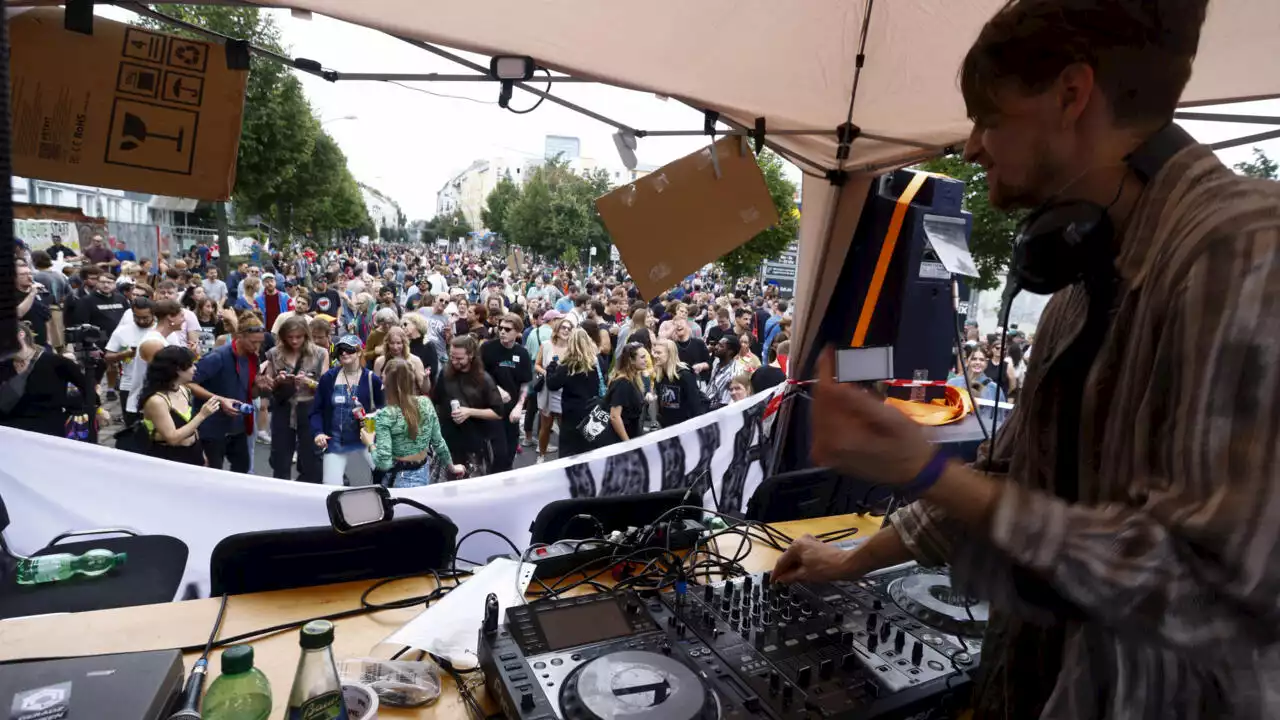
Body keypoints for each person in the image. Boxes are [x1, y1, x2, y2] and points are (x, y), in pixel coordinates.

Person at [773, 2, 1280, 719]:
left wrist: (925, 472)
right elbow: (1014, 476)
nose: (973, 147)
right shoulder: (1082, 289)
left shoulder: (1249, 247)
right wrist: (854, 557)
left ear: (1072, 95)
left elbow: (1213, 587)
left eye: (988, 117)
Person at [361, 358, 463, 487]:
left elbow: (383, 462)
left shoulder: (385, 415)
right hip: (423, 474)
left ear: (385, 383)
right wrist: (451, 466)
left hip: (400, 481)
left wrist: (369, 442)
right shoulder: (425, 403)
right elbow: (438, 441)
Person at [189, 314, 265, 473]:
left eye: (260, 342)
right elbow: (189, 383)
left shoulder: (252, 358)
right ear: (240, 336)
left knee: (243, 470)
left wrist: (259, 386)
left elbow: (253, 393)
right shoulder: (217, 357)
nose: (257, 347)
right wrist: (220, 400)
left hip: (238, 427)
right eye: (253, 342)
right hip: (212, 427)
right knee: (212, 472)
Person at [310, 335, 384, 486]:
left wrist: (371, 417)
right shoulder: (328, 379)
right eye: (340, 350)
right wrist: (318, 433)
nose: (344, 353)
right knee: (331, 488)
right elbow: (316, 410)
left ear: (359, 352)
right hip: (336, 440)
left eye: (349, 350)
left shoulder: (371, 379)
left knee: (386, 476)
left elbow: (385, 409)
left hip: (367, 438)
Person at [262, 316, 328, 483]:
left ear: (306, 335)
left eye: (298, 337)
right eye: (290, 337)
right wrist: (278, 380)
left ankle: (306, 490)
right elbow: (268, 385)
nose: (294, 341)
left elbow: (326, 387)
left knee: (311, 459)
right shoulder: (274, 353)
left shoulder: (320, 353)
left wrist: (308, 382)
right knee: (280, 457)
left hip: (309, 408)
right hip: (283, 407)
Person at [0, 322, 93, 437]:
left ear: (21, 334)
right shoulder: (4, 366)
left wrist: (84, 411)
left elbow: (87, 389)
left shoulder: (56, 363)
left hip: (47, 431)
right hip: (10, 431)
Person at [432, 335, 503, 476]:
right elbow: (436, 401)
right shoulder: (445, 372)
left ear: (471, 355)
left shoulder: (484, 379)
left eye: (459, 358)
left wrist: (469, 412)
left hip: (474, 442)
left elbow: (498, 412)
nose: (454, 361)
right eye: (451, 357)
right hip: (448, 440)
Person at [138, 346, 220, 466]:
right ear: (177, 370)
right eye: (191, 365)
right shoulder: (157, 401)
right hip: (169, 458)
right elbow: (172, 438)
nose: (195, 369)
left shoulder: (183, 390)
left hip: (192, 452)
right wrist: (202, 415)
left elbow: (190, 425)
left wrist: (200, 453)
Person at [480, 313, 533, 472]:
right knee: (498, 454)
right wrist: (496, 388)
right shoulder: (488, 348)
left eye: (507, 329)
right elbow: (479, 375)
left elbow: (525, 383)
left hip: (512, 411)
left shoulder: (522, 353)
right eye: (500, 328)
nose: (502, 331)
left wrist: (519, 406)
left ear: (517, 332)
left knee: (510, 453)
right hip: (492, 408)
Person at [545, 328, 606, 459]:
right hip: (593, 410)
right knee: (590, 447)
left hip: (572, 414)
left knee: (569, 451)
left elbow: (552, 384)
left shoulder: (568, 366)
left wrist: (551, 368)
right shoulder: (598, 362)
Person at [123, 300, 185, 418]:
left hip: (159, 403)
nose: (184, 319)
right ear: (170, 317)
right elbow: (163, 376)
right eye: (181, 316)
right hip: (144, 408)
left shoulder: (167, 337)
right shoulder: (153, 343)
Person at [533, 316, 574, 459]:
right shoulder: (546, 345)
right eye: (564, 327)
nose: (566, 330)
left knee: (565, 427)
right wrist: (546, 372)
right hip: (547, 390)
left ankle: (564, 457)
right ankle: (541, 456)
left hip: (565, 391)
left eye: (569, 328)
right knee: (546, 426)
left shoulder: (573, 348)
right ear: (557, 329)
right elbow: (537, 365)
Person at [651, 338, 704, 428]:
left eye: (659, 353)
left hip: (684, 428)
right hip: (666, 427)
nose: (655, 356)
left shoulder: (684, 375)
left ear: (670, 354)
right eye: (654, 352)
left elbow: (695, 405)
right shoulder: (659, 376)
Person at [602, 342, 646, 444]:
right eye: (642, 357)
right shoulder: (622, 383)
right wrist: (627, 443)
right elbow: (614, 416)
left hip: (632, 433)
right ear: (631, 360)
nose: (646, 360)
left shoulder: (634, 378)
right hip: (622, 438)